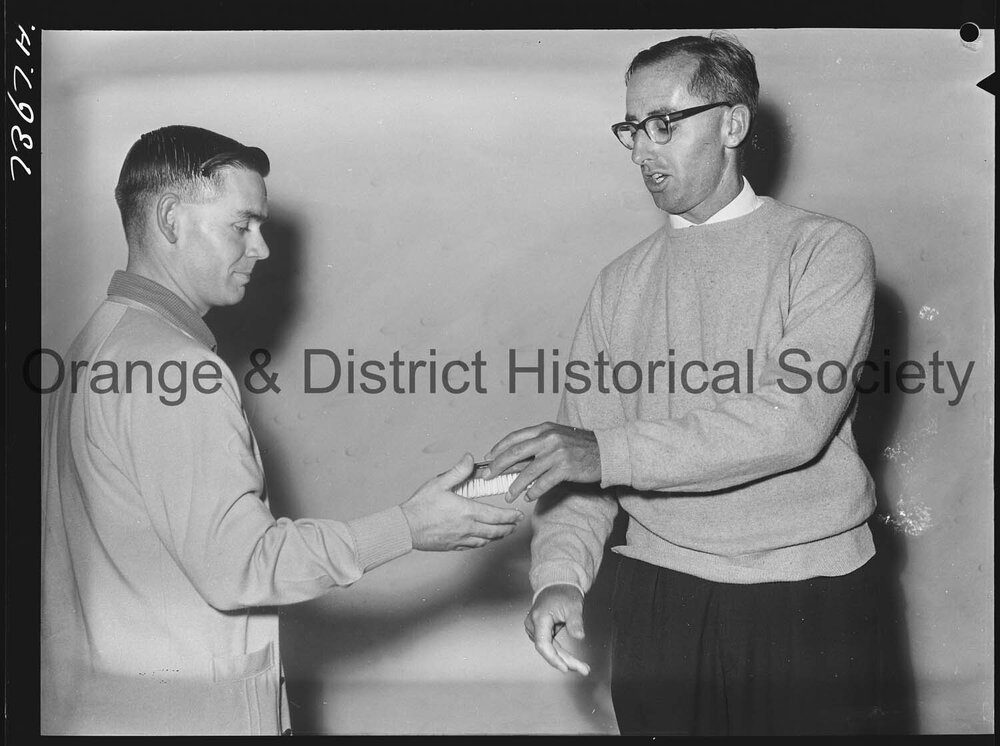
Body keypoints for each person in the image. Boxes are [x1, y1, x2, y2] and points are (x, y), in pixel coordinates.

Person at [40, 124, 525, 735]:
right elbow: (241, 566)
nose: (262, 249)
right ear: (169, 219)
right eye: (242, 225)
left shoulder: (94, 345)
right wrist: (409, 527)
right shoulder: (182, 368)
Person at [484, 32, 883, 735]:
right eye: (632, 127)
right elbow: (577, 455)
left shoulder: (825, 250)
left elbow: (790, 422)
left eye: (663, 124)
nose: (643, 149)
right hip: (659, 598)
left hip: (804, 595)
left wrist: (604, 454)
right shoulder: (619, 285)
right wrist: (559, 574)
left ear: (733, 123)